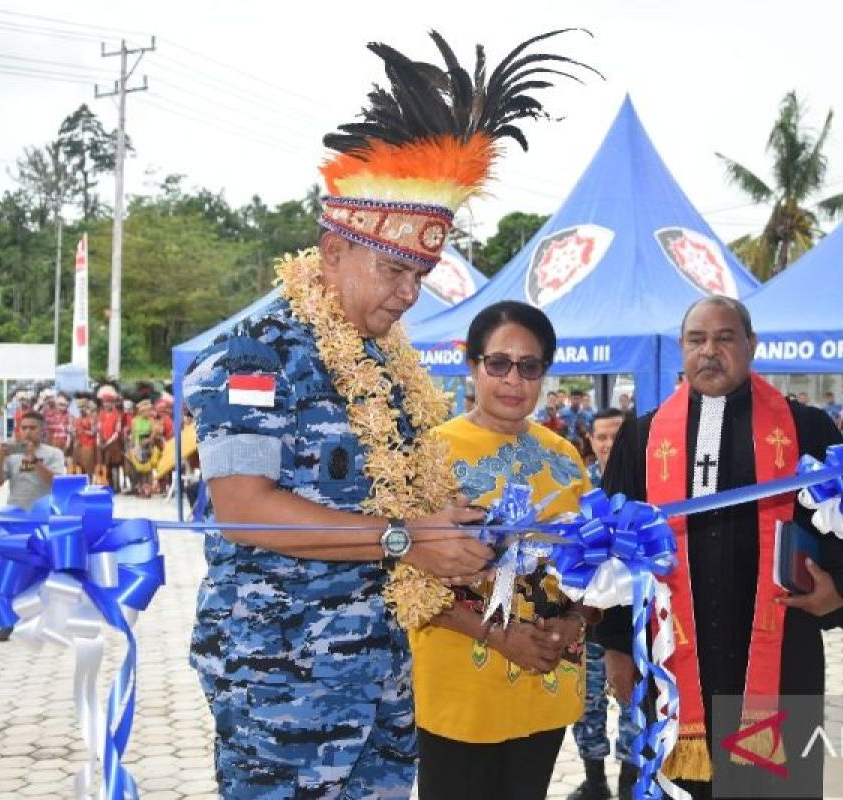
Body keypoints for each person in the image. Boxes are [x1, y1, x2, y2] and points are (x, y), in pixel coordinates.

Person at [183, 28, 591, 800]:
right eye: (395, 270)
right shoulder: (255, 358)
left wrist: (455, 525)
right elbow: (242, 509)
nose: (409, 295)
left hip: (382, 672)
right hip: (281, 680)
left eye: (421, 277)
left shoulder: (387, 368)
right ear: (333, 250)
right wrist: (408, 539)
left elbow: (397, 502)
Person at [595, 296, 843, 799]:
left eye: (724, 338)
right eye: (696, 340)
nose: (709, 351)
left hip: (782, 648)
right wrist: (617, 648)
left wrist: (842, 591)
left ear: (751, 344)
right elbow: (612, 545)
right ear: (681, 349)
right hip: (673, 653)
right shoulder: (642, 437)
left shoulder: (808, 429)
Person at [411, 301, 595, 800]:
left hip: (545, 679)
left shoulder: (565, 456)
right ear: (473, 367)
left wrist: (575, 622)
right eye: (498, 363)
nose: (514, 379)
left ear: (544, 374)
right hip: (460, 690)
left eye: (529, 366)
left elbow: (596, 565)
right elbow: (405, 580)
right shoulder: (430, 454)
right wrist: (497, 634)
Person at [568, 407, 641, 800]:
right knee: (585, 702)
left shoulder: (646, 488)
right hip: (586, 623)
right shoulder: (577, 490)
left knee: (635, 701)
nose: (609, 444)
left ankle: (631, 780)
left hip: (633, 623)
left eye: (617, 436)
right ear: (591, 443)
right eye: (602, 437)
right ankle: (594, 780)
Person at [0, 410, 67, 641]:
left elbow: (57, 483)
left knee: (45, 574)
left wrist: (34, 462)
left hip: (43, 523)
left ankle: (49, 621)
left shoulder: (53, 454)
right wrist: (1, 458)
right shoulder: (12, 456)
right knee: (9, 571)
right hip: (14, 522)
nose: (28, 432)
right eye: (25, 428)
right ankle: (7, 621)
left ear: (43, 430)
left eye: (33, 428)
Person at [95, 385, 124, 491]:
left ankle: (116, 486)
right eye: (105, 402)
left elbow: (117, 431)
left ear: (113, 403)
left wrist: (109, 442)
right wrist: (99, 441)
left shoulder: (117, 415)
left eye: (110, 402)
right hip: (102, 442)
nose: (107, 404)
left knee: (114, 464)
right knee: (101, 463)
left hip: (113, 443)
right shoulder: (100, 414)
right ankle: (104, 483)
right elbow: (98, 429)